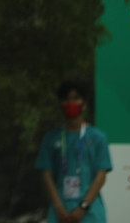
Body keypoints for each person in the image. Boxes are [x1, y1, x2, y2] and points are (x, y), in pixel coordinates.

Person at [35, 79, 112, 223]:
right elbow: (46, 174)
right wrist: (59, 207)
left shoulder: (98, 137)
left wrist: (83, 207)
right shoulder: (51, 138)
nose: (70, 103)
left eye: (75, 98)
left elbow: (101, 176)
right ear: (60, 104)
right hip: (60, 212)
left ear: (84, 103)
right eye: (66, 99)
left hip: (90, 212)